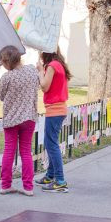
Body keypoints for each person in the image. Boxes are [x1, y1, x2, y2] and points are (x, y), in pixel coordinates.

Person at [0, 45, 39, 196]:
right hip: (29, 116)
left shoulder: (7, 77)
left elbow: (1, 96)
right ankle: (28, 187)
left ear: (7, 61)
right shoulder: (33, 71)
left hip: (11, 119)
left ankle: (5, 185)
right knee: (26, 152)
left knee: (9, 151)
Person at [35, 48, 72, 193]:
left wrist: (40, 70)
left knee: (52, 145)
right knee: (50, 143)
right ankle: (50, 175)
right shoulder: (59, 64)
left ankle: (60, 180)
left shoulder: (52, 66)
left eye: (41, 52)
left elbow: (44, 86)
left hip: (55, 110)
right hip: (59, 108)